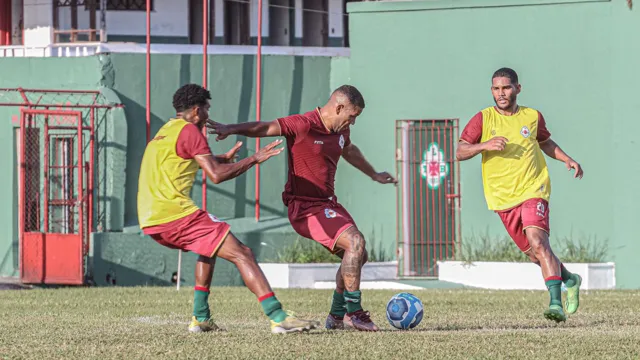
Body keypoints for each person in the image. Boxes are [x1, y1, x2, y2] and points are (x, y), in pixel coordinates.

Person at [207, 85, 397, 332]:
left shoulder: (342, 130)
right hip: (304, 208)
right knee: (355, 243)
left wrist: (373, 174)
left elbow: (348, 149)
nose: (353, 122)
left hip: (327, 203)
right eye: (352, 116)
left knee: (359, 255)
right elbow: (265, 127)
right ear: (338, 107)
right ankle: (355, 313)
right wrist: (230, 129)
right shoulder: (303, 124)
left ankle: (337, 316)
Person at [137, 83, 320, 334]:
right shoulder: (191, 132)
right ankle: (278, 317)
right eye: (207, 109)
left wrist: (222, 159)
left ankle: (200, 318)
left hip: (151, 217)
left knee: (209, 249)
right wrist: (253, 159)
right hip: (175, 214)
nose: (208, 115)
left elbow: (184, 162)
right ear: (196, 109)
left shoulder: (166, 131)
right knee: (242, 253)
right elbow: (216, 176)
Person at [456, 68, 584, 322]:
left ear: (518, 88)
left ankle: (556, 303)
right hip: (502, 197)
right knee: (534, 253)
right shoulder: (483, 119)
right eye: (496, 88)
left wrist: (566, 159)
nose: (501, 93)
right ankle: (570, 279)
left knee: (538, 241)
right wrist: (485, 145)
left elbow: (545, 141)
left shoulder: (532, 116)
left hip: (533, 188)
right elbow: (460, 151)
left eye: (506, 87)